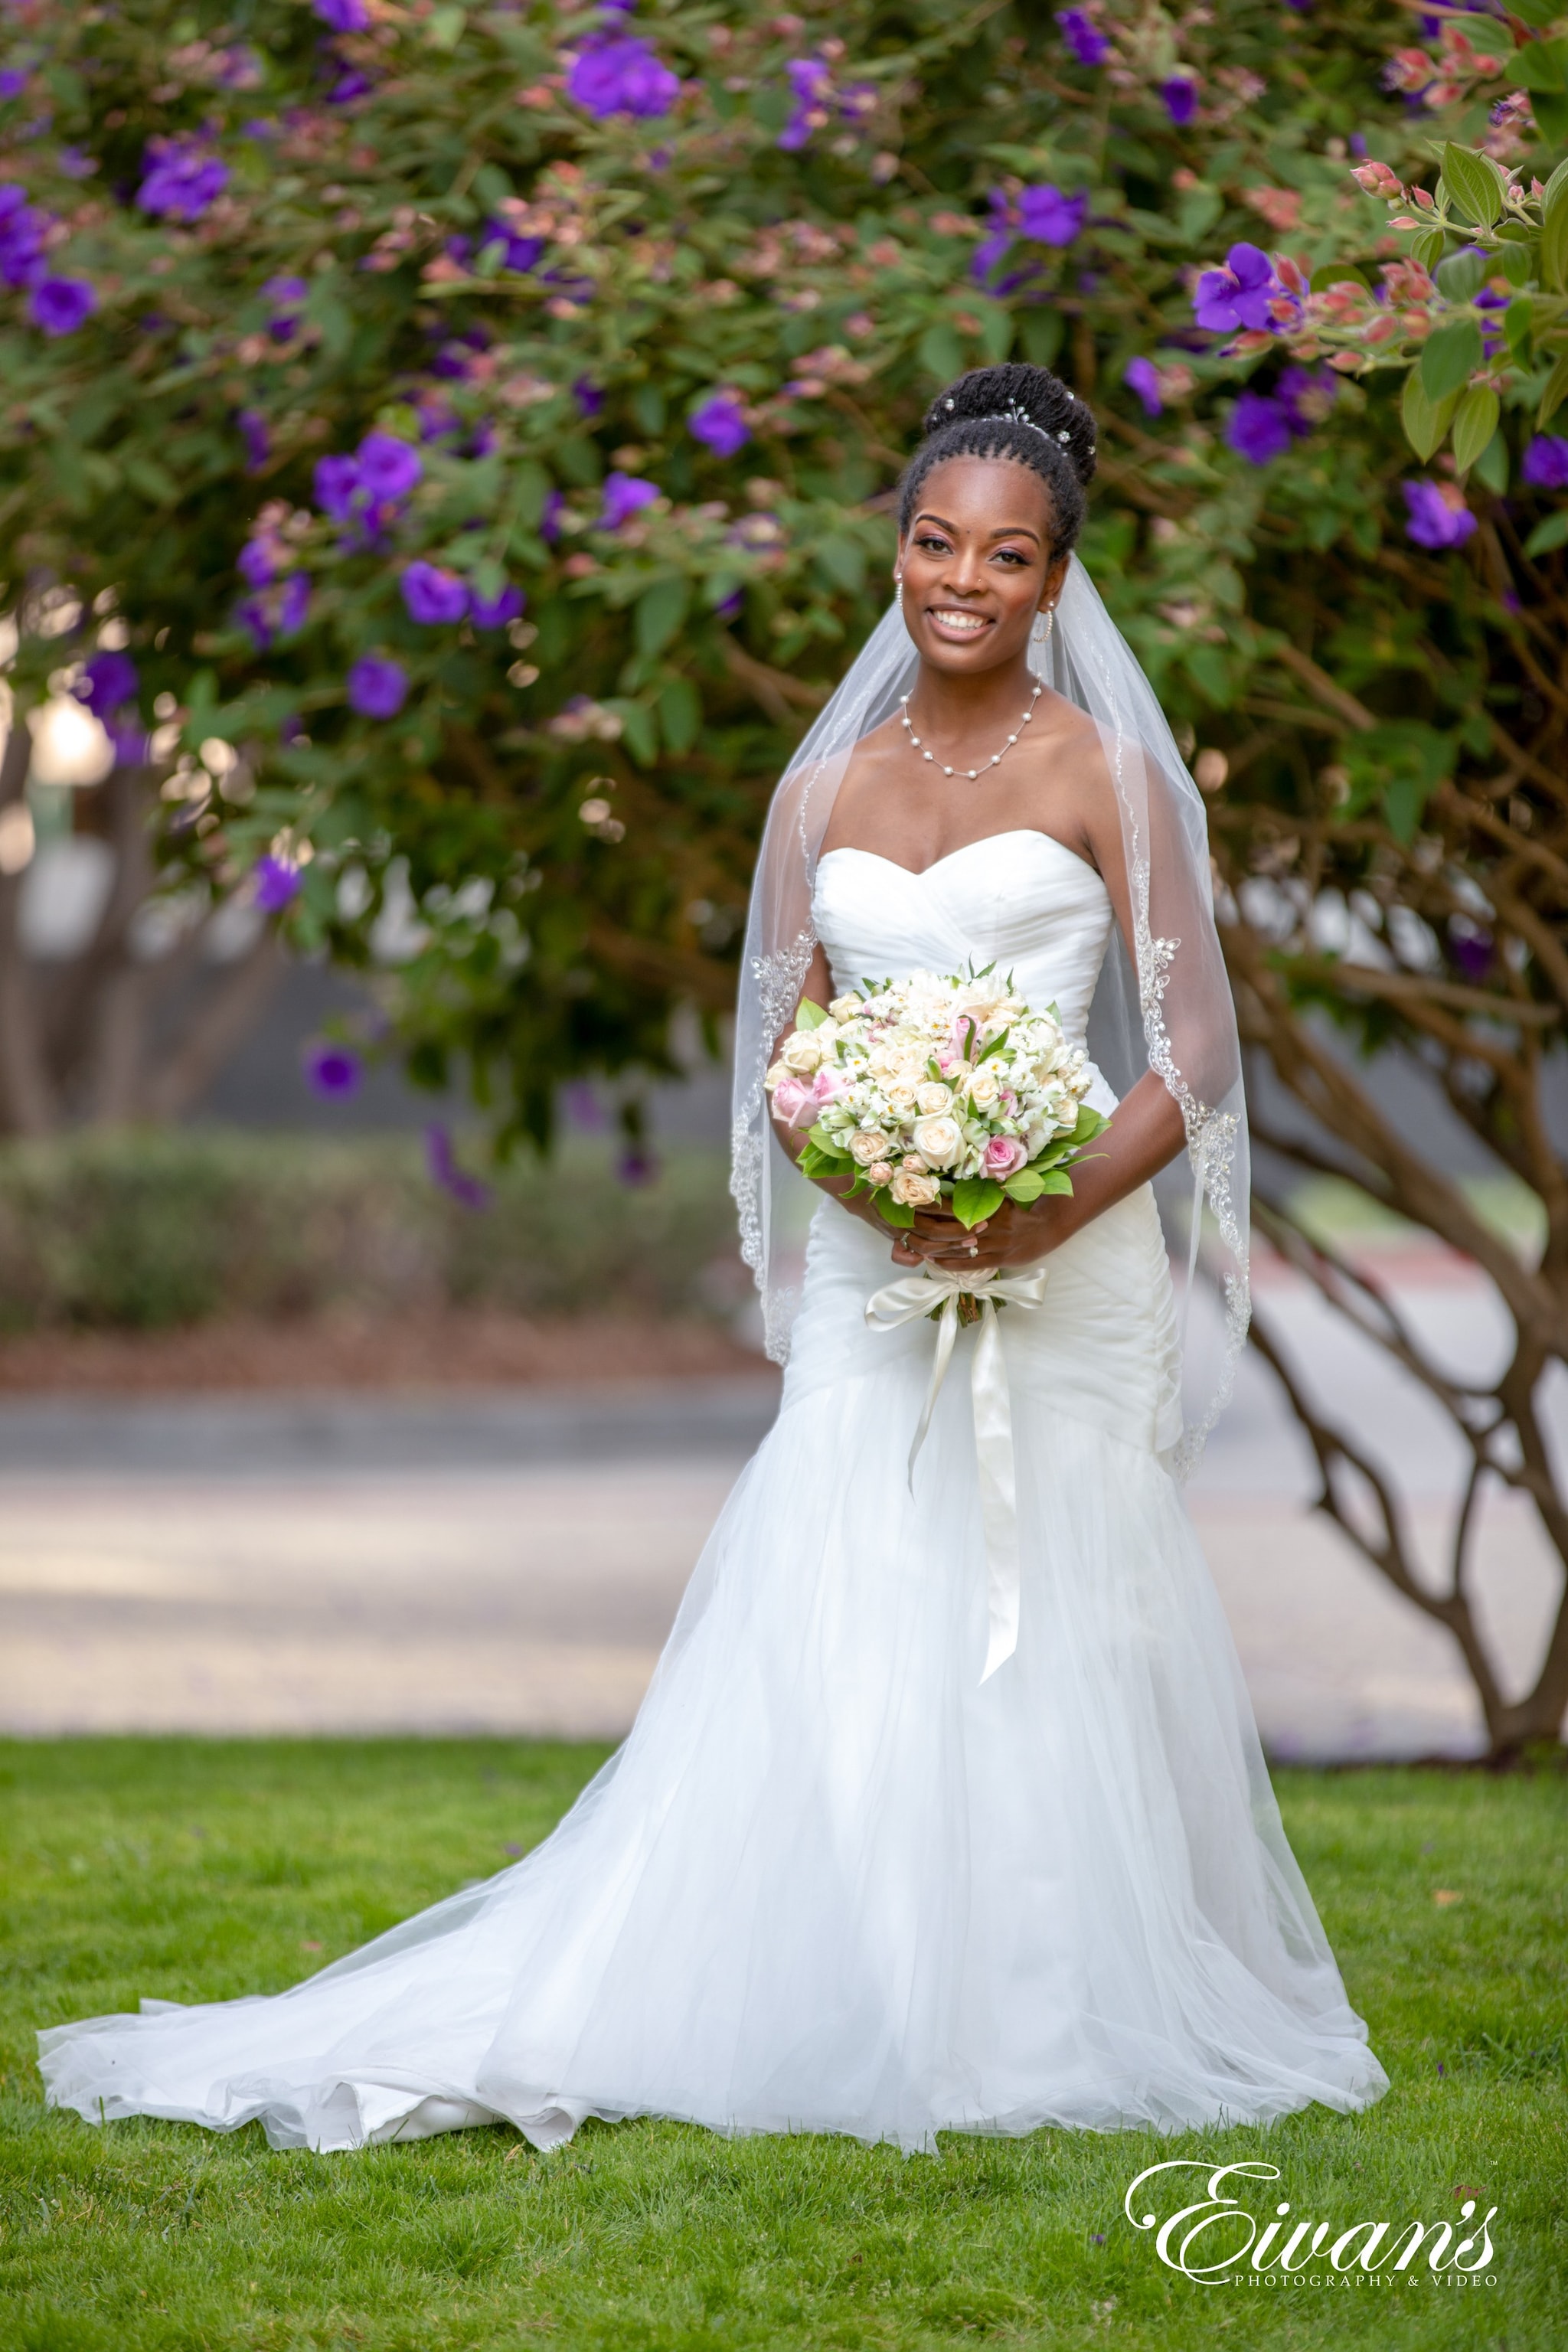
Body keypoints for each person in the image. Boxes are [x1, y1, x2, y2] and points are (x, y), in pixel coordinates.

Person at [39, 365, 1387, 2154]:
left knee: (1051, 1602)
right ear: (893, 549)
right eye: (931, 541)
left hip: (1066, 1254)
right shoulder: (817, 788)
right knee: (841, 1578)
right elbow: (786, 1045)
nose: (960, 581)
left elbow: (1195, 1055)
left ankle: (1041, 1995)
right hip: (873, 1259)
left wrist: (1037, 1204)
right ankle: (827, 1977)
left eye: (1004, 554)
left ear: (1057, 581)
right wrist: (879, 1169)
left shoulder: (1110, 775)